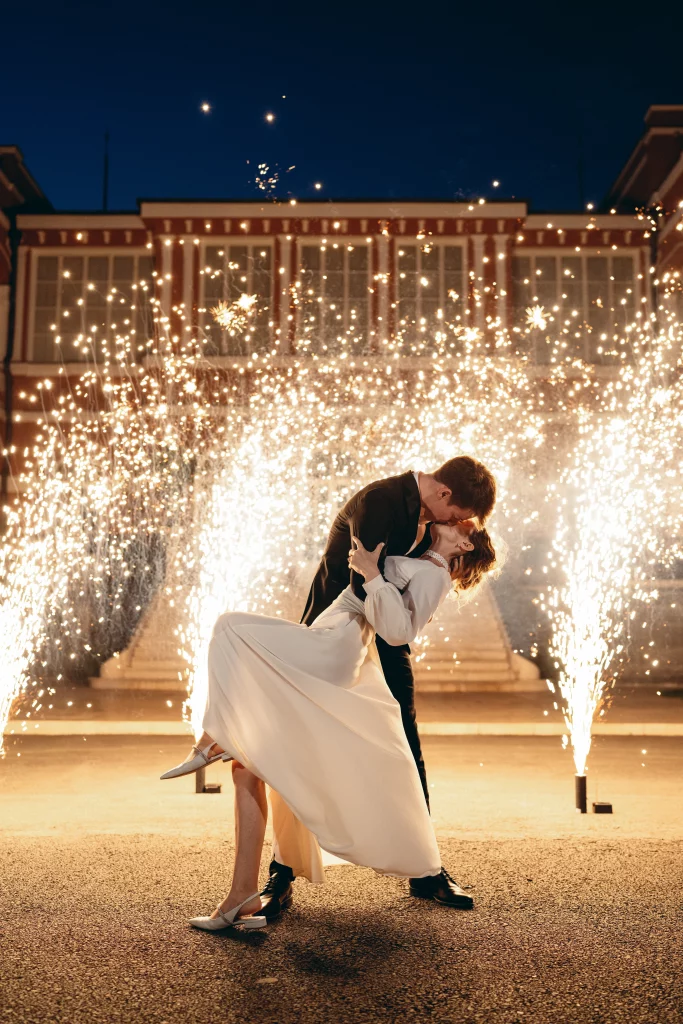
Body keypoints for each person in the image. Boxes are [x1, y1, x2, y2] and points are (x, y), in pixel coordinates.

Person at [161, 520, 497, 931]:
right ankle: (243, 894)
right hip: (329, 633)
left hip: (336, 642)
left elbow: (399, 632)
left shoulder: (436, 574)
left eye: (466, 524)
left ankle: (213, 740)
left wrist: (372, 574)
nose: (459, 518)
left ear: (463, 543)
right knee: (249, 761)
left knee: (229, 626)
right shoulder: (419, 555)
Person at [266, 456, 497, 916]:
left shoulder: (426, 523)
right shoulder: (380, 501)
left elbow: (396, 604)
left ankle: (426, 870)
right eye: (457, 516)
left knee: (405, 746)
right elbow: (361, 582)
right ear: (445, 495)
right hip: (338, 638)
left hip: (383, 643)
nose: (457, 524)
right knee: (303, 747)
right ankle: (281, 872)